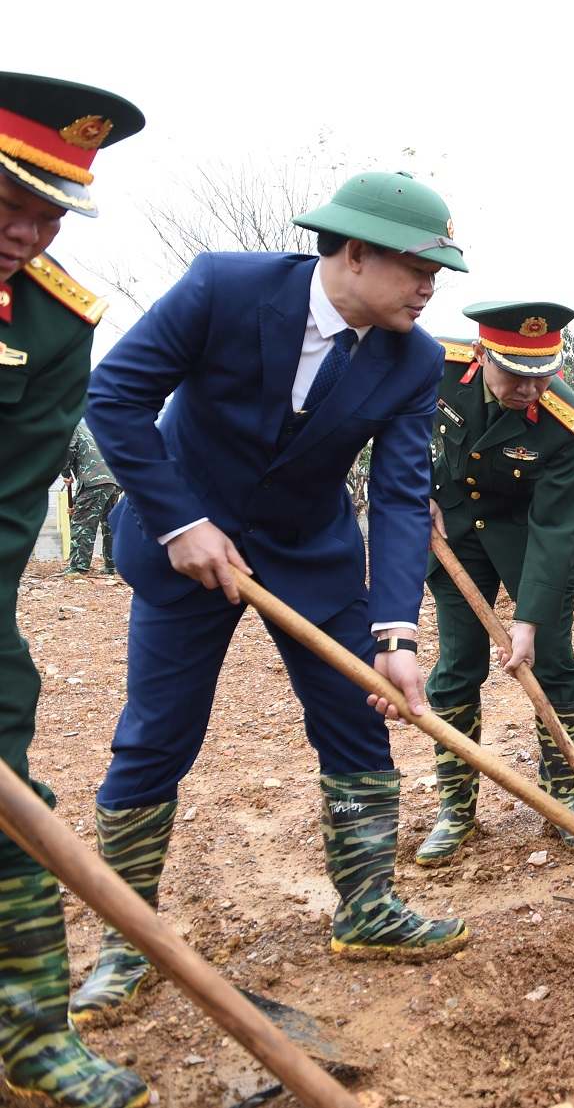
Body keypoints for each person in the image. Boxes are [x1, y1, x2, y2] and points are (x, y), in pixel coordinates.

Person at [77, 172, 470, 1022]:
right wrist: (179, 521)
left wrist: (398, 634)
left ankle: (368, 906)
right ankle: (125, 939)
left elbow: (401, 496)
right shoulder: (223, 287)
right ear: (355, 253)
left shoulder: (414, 358)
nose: (430, 289)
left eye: (437, 273)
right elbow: (115, 396)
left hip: (309, 553)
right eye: (417, 269)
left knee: (357, 717)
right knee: (155, 735)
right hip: (186, 549)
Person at [0, 72, 150, 1108]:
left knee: (10, 773)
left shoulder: (55, 323)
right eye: (9, 202)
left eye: (49, 213)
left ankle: (32, 1034)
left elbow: (12, 505)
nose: (29, 232)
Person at [417, 302, 574, 864]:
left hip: (527, 540)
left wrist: (529, 619)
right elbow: (395, 424)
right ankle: (456, 810)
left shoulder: (565, 421)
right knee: (457, 665)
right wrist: (412, 490)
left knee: (554, 662)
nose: (530, 388)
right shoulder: (434, 365)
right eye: (515, 374)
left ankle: (562, 797)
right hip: (454, 529)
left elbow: (556, 528)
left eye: (542, 375)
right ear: (481, 354)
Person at [58, 418, 122, 577]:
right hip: (112, 481)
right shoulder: (86, 433)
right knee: (109, 524)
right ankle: (111, 565)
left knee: (82, 523)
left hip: (95, 482)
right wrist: (76, 501)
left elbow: (67, 449)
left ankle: (79, 567)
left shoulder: (69, 428)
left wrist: (65, 473)